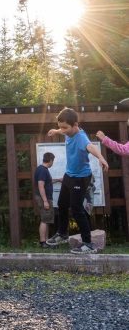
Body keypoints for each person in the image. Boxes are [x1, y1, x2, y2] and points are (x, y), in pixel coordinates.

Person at [46, 108, 108, 254]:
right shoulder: (68, 131)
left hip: (81, 178)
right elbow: (62, 130)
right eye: (60, 127)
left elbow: (90, 146)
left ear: (75, 125)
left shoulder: (81, 138)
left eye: (65, 128)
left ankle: (88, 244)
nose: (63, 131)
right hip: (69, 175)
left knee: (77, 209)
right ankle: (62, 234)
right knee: (62, 204)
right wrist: (56, 131)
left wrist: (101, 158)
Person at [34, 152, 60, 248]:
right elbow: (41, 186)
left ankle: (46, 241)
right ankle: (42, 242)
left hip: (46, 198)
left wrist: (58, 180)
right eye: (53, 161)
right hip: (44, 198)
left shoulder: (43, 169)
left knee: (47, 219)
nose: (53, 163)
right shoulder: (42, 170)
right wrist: (45, 201)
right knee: (45, 220)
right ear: (51, 160)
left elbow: (47, 182)